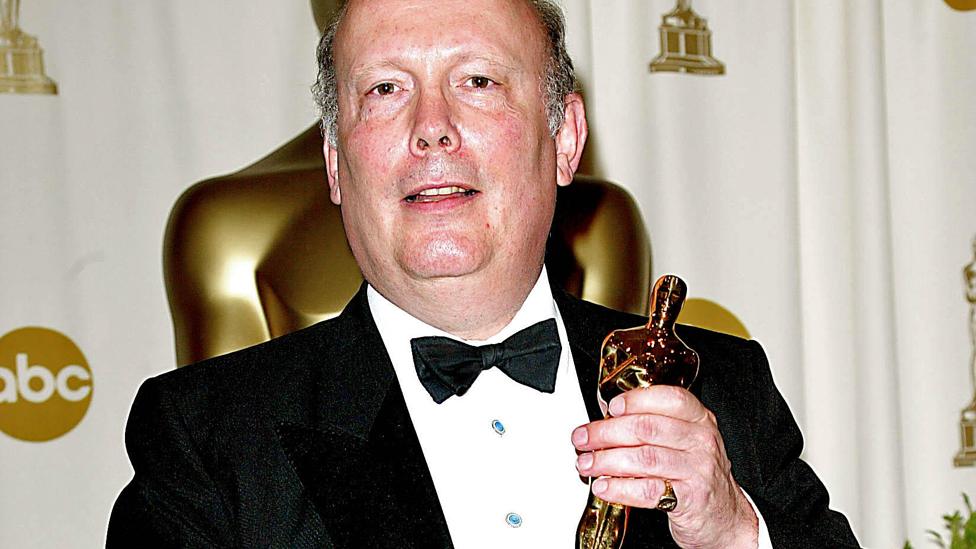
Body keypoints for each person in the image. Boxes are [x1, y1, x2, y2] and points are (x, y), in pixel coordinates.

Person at [108, 0, 859, 547]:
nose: (430, 126)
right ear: (337, 164)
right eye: (385, 89)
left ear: (564, 137)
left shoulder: (723, 387)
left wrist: (733, 531)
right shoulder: (206, 435)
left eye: (477, 81)